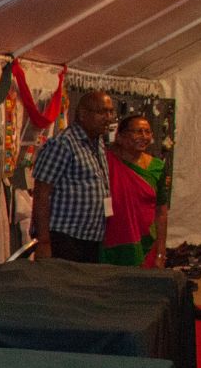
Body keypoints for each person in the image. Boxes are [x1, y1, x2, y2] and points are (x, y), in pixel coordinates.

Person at [32, 89, 117, 262]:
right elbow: (41, 192)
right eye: (102, 112)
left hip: (90, 237)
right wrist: (44, 240)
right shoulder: (63, 144)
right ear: (83, 114)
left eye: (110, 111)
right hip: (64, 237)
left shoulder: (98, 142)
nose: (108, 117)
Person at [104, 113, 171, 267]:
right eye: (137, 131)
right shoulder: (106, 162)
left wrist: (161, 252)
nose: (144, 136)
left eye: (147, 132)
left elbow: (161, 211)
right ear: (119, 137)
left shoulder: (157, 167)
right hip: (113, 240)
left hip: (145, 242)